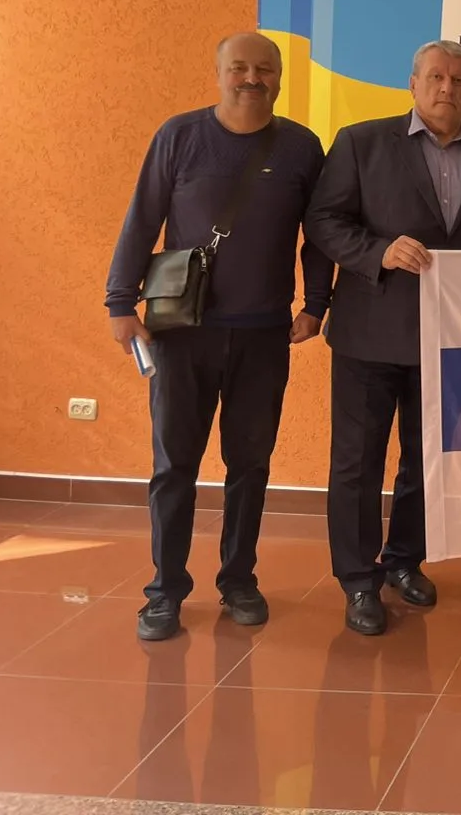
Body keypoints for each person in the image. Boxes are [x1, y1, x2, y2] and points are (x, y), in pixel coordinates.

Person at [105, 32, 331, 642]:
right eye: (239, 67)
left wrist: (316, 304)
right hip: (182, 333)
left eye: (264, 69)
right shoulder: (179, 136)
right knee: (174, 466)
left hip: (264, 335)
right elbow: (142, 217)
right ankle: (165, 591)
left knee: (250, 465)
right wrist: (120, 302)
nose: (251, 78)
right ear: (218, 73)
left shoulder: (301, 147)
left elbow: (318, 234)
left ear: (279, 77)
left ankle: (238, 581)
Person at [304, 40, 461, 637]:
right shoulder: (361, 143)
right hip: (370, 335)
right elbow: (322, 221)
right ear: (413, 83)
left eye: (459, 79)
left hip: (450, 339)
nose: (447, 87)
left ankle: (403, 560)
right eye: (436, 77)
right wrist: (378, 251)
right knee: (358, 464)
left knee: (426, 463)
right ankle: (357, 580)